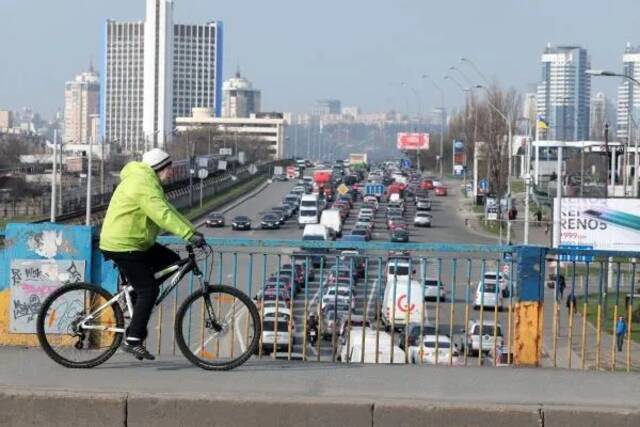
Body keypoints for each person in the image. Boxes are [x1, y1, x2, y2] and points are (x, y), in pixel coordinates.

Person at [100, 148, 206, 361]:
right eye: (169, 169)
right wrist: (188, 235)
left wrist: (192, 232)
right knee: (149, 290)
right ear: (159, 168)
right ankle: (133, 340)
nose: (172, 173)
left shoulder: (148, 182)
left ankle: (134, 298)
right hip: (124, 244)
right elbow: (162, 215)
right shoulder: (142, 184)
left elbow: (169, 210)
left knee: (173, 261)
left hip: (136, 242)